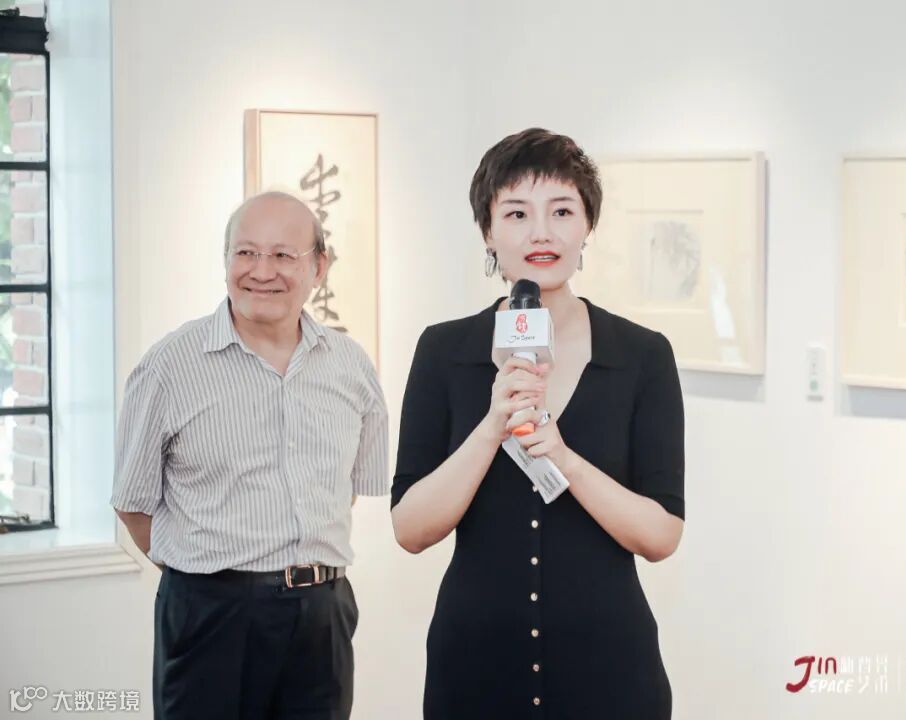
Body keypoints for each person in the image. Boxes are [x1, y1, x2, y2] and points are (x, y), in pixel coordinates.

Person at [391, 128, 685, 718]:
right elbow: (410, 529)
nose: (541, 232)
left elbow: (660, 536)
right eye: (517, 213)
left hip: (607, 669)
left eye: (562, 211)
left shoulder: (641, 354)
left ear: (587, 226)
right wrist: (491, 427)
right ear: (488, 231)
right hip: (475, 668)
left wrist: (564, 457)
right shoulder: (445, 350)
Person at [111, 191, 388, 720]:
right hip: (210, 615)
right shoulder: (170, 365)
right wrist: (208, 574)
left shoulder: (350, 366)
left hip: (323, 614)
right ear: (225, 261)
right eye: (246, 253)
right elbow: (132, 503)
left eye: (283, 255)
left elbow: (347, 488)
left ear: (319, 266)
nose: (262, 271)